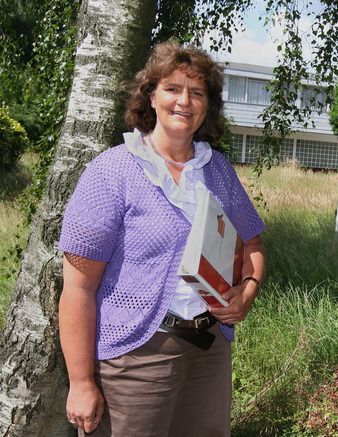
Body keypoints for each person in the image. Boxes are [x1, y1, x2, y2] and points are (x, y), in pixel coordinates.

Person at [57, 41, 265, 436]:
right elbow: (78, 288)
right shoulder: (112, 172)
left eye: (197, 92)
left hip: (209, 351)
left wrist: (249, 289)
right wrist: (81, 382)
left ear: (207, 106)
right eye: (172, 88)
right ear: (151, 96)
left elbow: (252, 243)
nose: (185, 100)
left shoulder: (217, 170)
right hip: (136, 357)